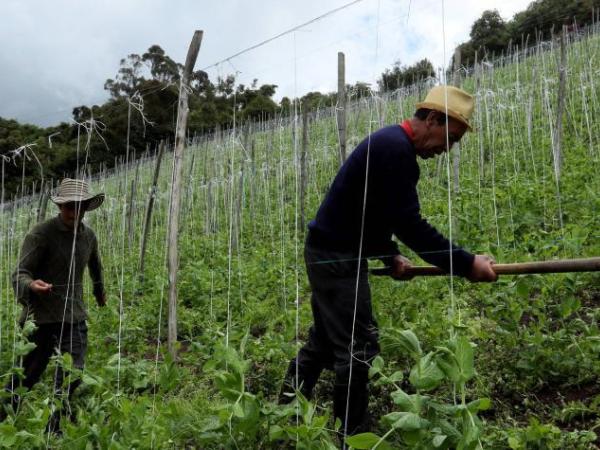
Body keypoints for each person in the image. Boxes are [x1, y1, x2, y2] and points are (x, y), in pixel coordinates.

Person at [280, 85, 498, 437]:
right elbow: (410, 225)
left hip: (331, 251)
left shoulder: (390, 145)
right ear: (432, 119)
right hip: (336, 258)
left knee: (324, 343)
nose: (448, 149)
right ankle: (351, 437)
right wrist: (467, 263)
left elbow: (373, 214)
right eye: (451, 138)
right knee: (358, 347)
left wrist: (388, 253)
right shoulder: (395, 151)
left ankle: (286, 412)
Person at [0, 178, 107, 433]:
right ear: (60, 207)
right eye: (69, 206)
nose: (74, 212)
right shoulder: (41, 233)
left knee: (73, 372)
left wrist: (99, 291)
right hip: (42, 318)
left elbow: (96, 266)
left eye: (79, 206)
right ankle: (4, 419)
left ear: (86, 207)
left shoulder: (88, 236)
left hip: (74, 315)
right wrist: (31, 285)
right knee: (28, 374)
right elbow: (20, 273)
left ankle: (54, 426)